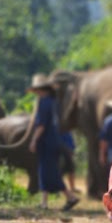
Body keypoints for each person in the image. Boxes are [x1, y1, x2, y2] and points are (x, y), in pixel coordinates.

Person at [26, 75, 79, 212]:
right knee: (45, 171)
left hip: (46, 142)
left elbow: (41, 125)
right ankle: (44, 202)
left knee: (51, 172)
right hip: (55, 141)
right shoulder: (54, 102)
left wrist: (34, 140)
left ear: (41, 89)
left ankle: (70, 197)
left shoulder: (44, 102)